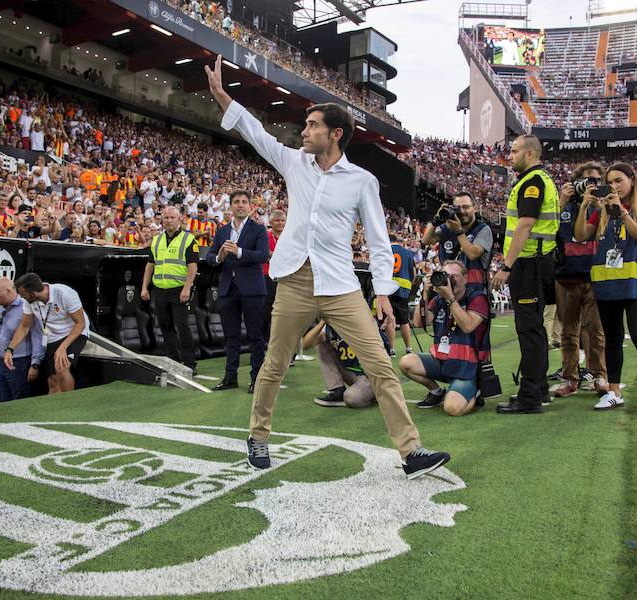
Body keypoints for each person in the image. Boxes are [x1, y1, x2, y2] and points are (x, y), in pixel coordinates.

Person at [205, 54, 449, 479]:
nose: (305, 130)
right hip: (296, 280)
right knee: (275, 363)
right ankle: (258, 438)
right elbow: (257, 134)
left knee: (380, 367)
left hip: (341, 286)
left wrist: (386, 294)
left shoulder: (362, 181)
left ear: (335, 134)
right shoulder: (294, 162)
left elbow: (377, 242)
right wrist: (225, 98)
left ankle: (411, 453)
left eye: (312, 125)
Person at [574, 162, 637, 415]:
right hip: (607, 284)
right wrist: (585, 206)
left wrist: (622, 213)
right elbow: (581, 235)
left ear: (632, 181)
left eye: (619, 181)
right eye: (610, 182)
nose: (614, 186)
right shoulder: (601, 211)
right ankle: (614, 392)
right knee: (613, 339)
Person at [490, 134, 558, 414]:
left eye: (515, 151)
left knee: (529, 330)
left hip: (529, 263)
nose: (511, 155)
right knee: (535, 330)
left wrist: (506, 266)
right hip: (537, 261)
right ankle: (538, 389)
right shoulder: (540, 180)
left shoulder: (532, 182)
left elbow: (525, 226)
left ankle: (530, 395)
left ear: (530, 154)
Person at [399, 261, 489, 416]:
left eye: (454, 276)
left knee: (452, 408)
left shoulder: (477, 298)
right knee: (406, 362)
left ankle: (475, 394)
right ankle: (436, 392)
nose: (449, 281)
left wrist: (450, 299)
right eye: (446, 276)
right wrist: (425, 295)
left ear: (466, 278)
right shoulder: (438, 299)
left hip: (467, 368)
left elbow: (468, 326)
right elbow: (420, 322)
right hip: (442, 361)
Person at [553, 162, 608, 397]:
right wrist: (560, 201)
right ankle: (570, 378)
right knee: (568, 332)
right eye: (586, 181)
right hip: (566, 275)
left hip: (595, 274)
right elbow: (546, 230)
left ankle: (599, 376)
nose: (590, 185)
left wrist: (601, 205)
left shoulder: (603, 204)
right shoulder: (564, 203)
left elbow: (610, 232)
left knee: (596, 331)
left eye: (596, 181)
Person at [206, 191, 270, 393]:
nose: (240, 205)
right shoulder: (222, 231)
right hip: (228, 289)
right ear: (231, 207)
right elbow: (210, 255)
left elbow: (262, 255)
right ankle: (230, 377)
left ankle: (256, 379)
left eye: (244, 202)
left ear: (250, 206)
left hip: (252, 290)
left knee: (255, 336)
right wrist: (220, 257)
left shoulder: (259, 229)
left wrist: (239, 252)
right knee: (231, 336)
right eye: (236, 202)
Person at [6, 273, 91, 394]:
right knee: (53, 379)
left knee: (61, 368)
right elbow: (24, 326)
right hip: (52, 337)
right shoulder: (29, 301)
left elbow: (80, 323)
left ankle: (69, 406)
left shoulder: (65, 294)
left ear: (32, 294)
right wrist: (10, 349)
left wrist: (62, 348)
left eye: (22, 294)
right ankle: (53, 409)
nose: (21, 297)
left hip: (74, 332)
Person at [141, 206, 199, 373]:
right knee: (165, 326)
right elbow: (150, 265)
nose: (169, 220)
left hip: (179, 290)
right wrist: (145, 287)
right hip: (159, 290)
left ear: (179, 219)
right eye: (166, 217)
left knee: (182, 326)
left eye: (172, 217)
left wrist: (187, 288)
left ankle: (189, 364)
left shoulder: (188, 240)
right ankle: (172, 360)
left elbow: (193, 267)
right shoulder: (157, 240)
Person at [421, 191, 493, 290]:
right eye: (458, 208)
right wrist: (436, 220)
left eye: (466, 207)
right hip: (448, 286)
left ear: (474, 208)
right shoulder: (447, 227)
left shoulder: (483, 229)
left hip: (474, 290)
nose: (462, 211)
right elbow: (425, 240)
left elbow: (472, 254)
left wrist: (458, 230)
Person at [306, 319, 385, 409]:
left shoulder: (363, 319)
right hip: (354, 372)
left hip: (371, 375)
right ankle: (337, 390)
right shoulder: (332, 324)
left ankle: (376, 392)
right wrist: (321, 323)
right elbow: (306, 345)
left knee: (351, 398)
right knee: (320, 342)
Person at [388, 233, 416, 355]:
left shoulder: (385, 251)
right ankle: (408, 348)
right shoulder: (408, 253)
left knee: (389, 319)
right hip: (403, 289)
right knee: (404, 320)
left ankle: (391, 349)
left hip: (388, 289)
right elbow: (414, 274)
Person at [262, 209, 286, 342]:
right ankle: (265, 342)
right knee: (266, 311)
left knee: (283, 313)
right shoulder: (266, 236)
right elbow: (263, 253)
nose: (280, 223)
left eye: (282, 220)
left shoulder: (288, 237)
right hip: (268, 277)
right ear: (271, 222)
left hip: (285, 278)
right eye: (277, 220)